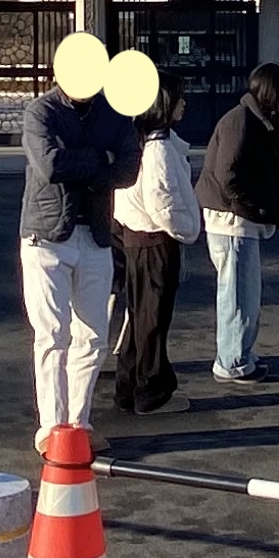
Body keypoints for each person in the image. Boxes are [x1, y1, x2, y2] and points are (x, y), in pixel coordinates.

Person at [15, 72, 134, 444]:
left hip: (95, 235)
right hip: (46, 236)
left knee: (93, 336)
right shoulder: (41, 111)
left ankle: (78, 424)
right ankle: (52, 428)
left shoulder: (115, 114)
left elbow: (129, 167)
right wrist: (101, 158)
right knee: (52, 335)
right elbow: (50, 166)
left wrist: (87, 167)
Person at [104, 75, 200, 413]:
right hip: (154, 241)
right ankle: (150, 391)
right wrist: (186, 229)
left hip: (135, 239)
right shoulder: (158, 149)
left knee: (139, 317)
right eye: (179, 97)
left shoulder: (137, 140)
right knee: (152, 320)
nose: (184, 104)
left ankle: (129, 388)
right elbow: (162, 202)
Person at [197, 61, 279, 383]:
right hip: (232, 221)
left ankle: (239, 354)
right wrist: (250, 206)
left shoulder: (249, 119)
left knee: (243, 295)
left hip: (235, 220)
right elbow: (227, 175)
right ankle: (232, 360)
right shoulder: (242, 122)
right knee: (237, 296)